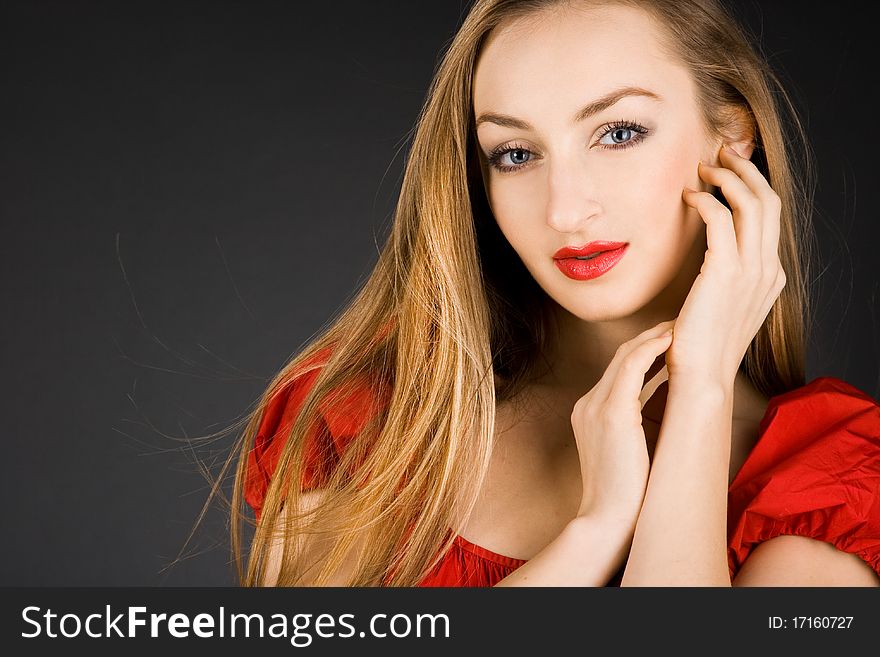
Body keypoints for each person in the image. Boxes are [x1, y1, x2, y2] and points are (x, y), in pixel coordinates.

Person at [231, 0, 880, 587]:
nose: (565, 210)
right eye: (515, 153)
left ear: (733, 135)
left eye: (619, 133)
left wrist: (700, 392)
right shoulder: (379, 417)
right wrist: (596, 528)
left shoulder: (832, 484)